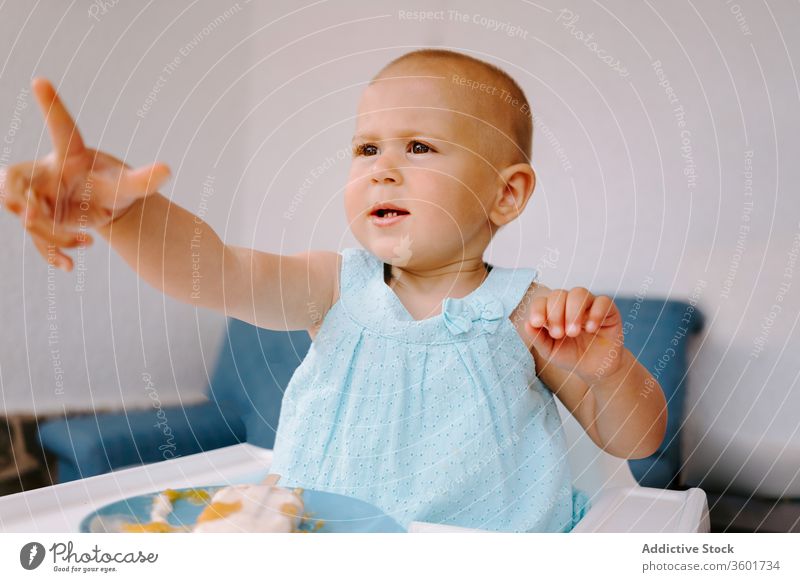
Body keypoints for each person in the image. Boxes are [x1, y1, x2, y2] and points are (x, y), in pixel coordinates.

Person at [0, 48, 666, 532]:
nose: (383, 171)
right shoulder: (332, 287)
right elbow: (216, 272)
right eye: (367, 149)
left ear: (506, 193)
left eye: (420, 148)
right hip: (317, 542)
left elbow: (637, 441)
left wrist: (606, 372)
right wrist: (123, 213)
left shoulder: (533, 315)